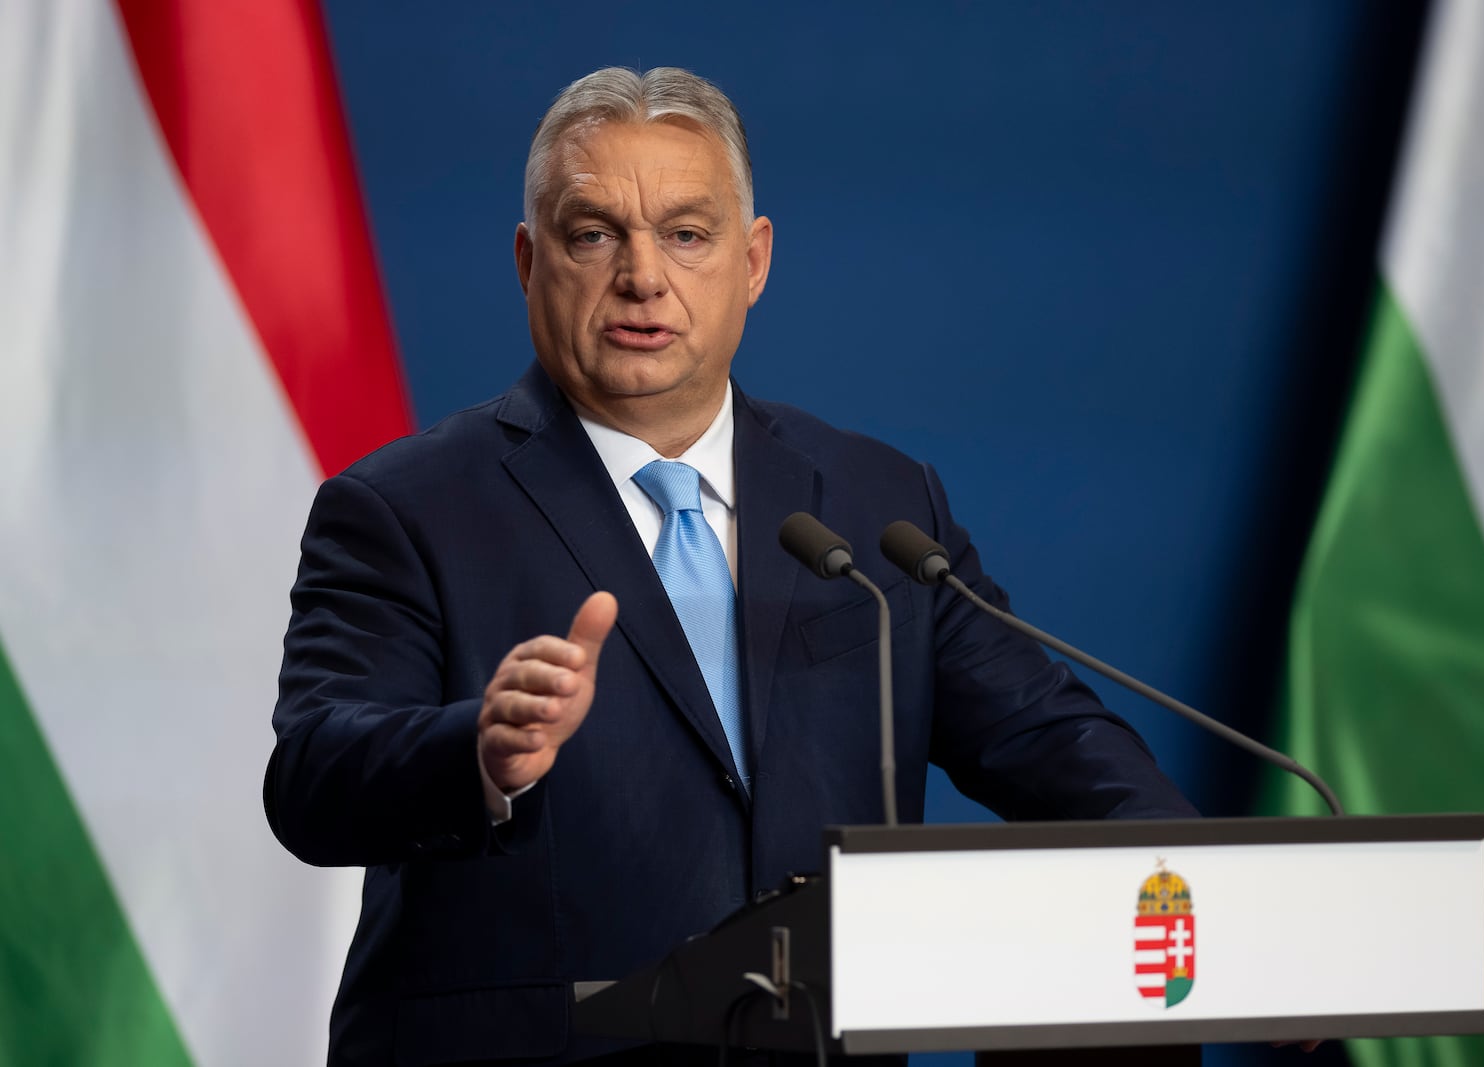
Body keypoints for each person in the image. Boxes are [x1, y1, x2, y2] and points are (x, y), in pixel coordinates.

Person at [266, 66, 1196, 1067]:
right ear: (530, 262)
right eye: (593, 235)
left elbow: (1055, 749)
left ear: (751, 261)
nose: (641, 276)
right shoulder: (403, 507)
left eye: (686, 233)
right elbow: (314, 775)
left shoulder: (877, 504)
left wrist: (1219, 903)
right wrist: (477, 753)